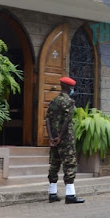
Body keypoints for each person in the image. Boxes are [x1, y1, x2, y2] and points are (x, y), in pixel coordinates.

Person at [46, 76, 84, 204]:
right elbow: (67, 121)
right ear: (69, 87)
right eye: (72, 87)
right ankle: (70, 195)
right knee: (70, 164)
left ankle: (52, 193)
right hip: (66, 139)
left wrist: (52, 137)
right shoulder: (69, 102)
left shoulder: (54, 101)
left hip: (54, 139)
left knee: (54, 164)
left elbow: (47, 120)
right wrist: (60, 137)